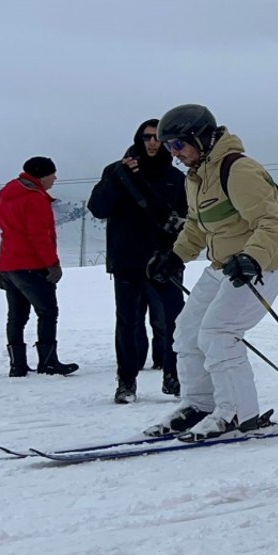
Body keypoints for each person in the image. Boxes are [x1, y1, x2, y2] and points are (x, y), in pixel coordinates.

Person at [143, 104, 278, 442]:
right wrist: (175, 257)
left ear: (200, 136)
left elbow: (271, 223)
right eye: (169, 148)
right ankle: (199, 404)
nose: (174, 154)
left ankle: (239, 411)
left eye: (178, 145)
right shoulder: (196, 176)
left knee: (219, 332)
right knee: (187, 330)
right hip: (223, 265)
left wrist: (252, 258)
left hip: (261, 264)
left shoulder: (238, 170)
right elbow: (197, 225)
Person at [87, 119, 188, 403]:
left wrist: (175, 252)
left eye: (158, 137)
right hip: (127, 261)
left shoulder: (176, 178)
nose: (153, 142)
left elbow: (186, 219)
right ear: (138, 139)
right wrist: (116, 178)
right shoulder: (117, 171)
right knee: (128, 323)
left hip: (166, 261)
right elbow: (98, 208)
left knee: (172, 322)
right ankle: (126, 382)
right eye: (147, 137)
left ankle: (173, 377)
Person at [0, 157, 79, 377]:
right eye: (52, 174)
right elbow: (39, 237)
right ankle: (48, 363)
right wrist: (52, 264)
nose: (55, 178)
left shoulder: (7, 194)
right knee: (47, 311)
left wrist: (12, 223)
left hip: (8, 265)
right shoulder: (35, 198)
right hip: (31, 265)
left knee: (16, 315)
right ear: (41, 175)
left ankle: (17, 365)